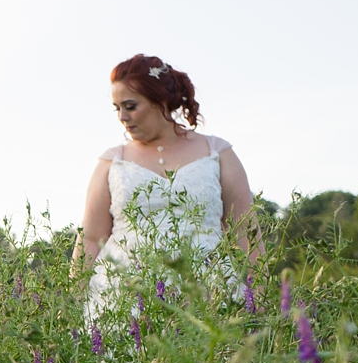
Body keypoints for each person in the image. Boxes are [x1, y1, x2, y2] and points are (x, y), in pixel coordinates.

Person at [79, 54, 259, 323]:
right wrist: (73, 302)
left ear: (159, 100)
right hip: (125, 295)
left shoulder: (216, 152)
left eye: (130, 106)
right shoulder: (112, 161)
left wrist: (261, 294)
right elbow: (92, 238)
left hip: (209, 289)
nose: (122, 117)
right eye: (116, 108)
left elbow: (246, 230)